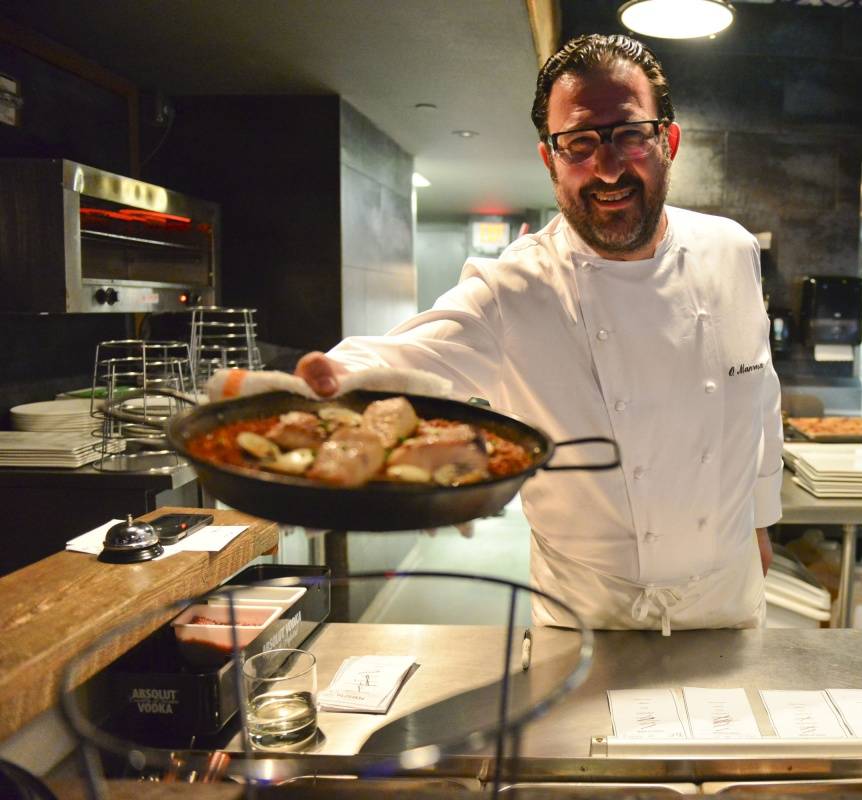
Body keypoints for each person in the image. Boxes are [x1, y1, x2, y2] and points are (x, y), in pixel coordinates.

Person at [297, 34, 783, 634]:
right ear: (549, 159)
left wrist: (761, 521)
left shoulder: (731, 249)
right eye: (579, 143)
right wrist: (329, 382)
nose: (608, 168)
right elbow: (409, 356)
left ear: (669, 142)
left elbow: (759, 396)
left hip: (728, 600)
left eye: (630, 135)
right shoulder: (514, 286)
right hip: (588, 614)